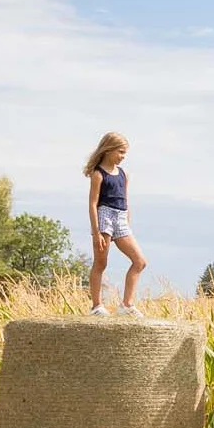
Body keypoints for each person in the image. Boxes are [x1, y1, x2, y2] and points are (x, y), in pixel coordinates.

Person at [84, 132, 147, 316]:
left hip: (120, 217)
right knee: (101, 263)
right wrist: (96, 232)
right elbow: (93, 203)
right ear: (108, 150)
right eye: (120, 152)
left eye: (124, 153)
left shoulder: (124, 174)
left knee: (140, 262)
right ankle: (96, 306)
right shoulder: (98, 174)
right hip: (104, 216)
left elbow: (125, 200)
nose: (122, 157)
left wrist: (127, 221)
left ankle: (126, 305)